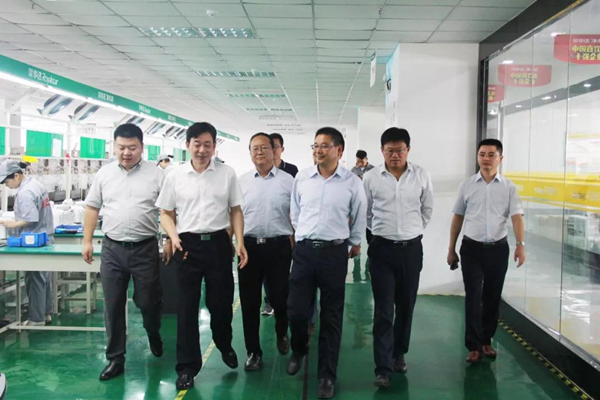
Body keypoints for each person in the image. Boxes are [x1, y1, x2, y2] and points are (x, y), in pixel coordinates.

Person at [156, 122, 248, 390]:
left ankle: (223, 342)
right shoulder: (175, 175)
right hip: (186, 245)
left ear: (214, 146)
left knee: (220, 304)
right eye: (197, 144)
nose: (202, 149)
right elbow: (166, 213)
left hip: (218, 243)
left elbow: (236, 210)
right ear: (187, 145)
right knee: (186, 308)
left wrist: (240, 242)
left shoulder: (227, 174)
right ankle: (186, 367)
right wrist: (173, 237)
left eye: (208, 144)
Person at [287, 127, 366, 399]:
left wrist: (354, 242)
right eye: (316, 145)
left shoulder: (352, 182)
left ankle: (326, 375)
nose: (318, 151)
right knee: (296, 311)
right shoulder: (302, 178)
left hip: (334, 254)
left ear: (339, 150)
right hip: (305, 252)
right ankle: (299, 348)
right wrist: (304, 235)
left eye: (324, 146)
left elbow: (359, 213)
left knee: (331, 317)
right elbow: (295, 211)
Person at [82, 124, 164, 381]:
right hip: (112, 249)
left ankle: (153, 331)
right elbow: (92, 208)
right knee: (113, 304)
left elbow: (169, 210)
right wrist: (87, 241)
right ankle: (115, 358)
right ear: (114, 147)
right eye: (121, 147)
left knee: (148, 300)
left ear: (142, 148)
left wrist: (171, 239)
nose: (126, 152)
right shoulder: (104, 174)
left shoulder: (157, 175)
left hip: (145, 248)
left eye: (132, 148)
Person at [363, 128, 433, 388]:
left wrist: (411, 231)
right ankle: (382, 367)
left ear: (408, 150)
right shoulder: (370, 178)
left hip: (411, 250)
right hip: (382, 249)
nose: (395, 155)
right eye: (390, 151)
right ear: (382, 151)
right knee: (383, 309)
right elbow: (367, 212)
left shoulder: (421, 175)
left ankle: (398, 353)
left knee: (406, 305)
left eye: (400, 150)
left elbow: (427, 209)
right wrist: (382, 233)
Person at [447, 138, 525, 363]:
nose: (486, 159)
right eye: (482, 154)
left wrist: (520, 245)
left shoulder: (509, 188)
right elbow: (458, 217)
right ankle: (473, 345)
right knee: (473, 296)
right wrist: (451, 249)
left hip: (498, 249)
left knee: (492, 295)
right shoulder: (467, 185)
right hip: (471, 248)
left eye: (491, 155)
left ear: (500, 158)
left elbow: (517, 217)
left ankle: (486, 340)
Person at [238, 133, 295, 371]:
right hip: (248, 248)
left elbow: (297, 214)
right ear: (250, 153)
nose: (259, 152)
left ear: (274, 151)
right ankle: (253, 352)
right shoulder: (241, 182)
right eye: (255, 148)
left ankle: (281, 331)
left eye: (264, 147)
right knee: (249, 302)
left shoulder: (289, 181)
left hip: (279, 247)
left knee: (280, 298)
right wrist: (235, 241)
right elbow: (234, 214)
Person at [0, 159, 54, 327]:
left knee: (34, 280)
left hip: (34, 240)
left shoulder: (25, 192)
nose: (7, 185)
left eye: (7, 181)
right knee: (44, 279)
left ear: (16, 175)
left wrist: (12, 224)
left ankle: (36, 319)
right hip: (44, 237)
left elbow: (30, 218)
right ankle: (46, 313)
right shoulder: (36, 185)